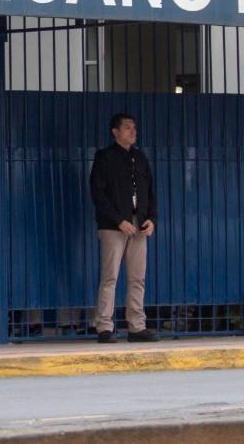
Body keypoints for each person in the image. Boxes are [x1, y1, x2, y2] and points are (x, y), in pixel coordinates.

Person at [89, 113, 159, 344]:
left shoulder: (140, 157)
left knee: (138, 278)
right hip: (114, 226)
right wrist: (119, 220)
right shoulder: (105, 157)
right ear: (115, 132)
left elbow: (150, 191)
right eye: (128, 127)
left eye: (134, 127)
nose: (133, 131)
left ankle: (137, 326)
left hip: (139, 225)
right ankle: (104, 326)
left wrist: (151, 219)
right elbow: (98, 193)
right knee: (110, 277)